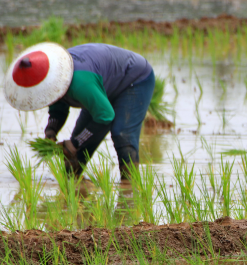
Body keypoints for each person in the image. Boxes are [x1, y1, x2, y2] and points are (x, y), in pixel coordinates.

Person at [5, 42, 155, 182]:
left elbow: (105, 116)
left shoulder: (79, 83)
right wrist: (51, 130)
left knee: (121, 133)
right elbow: (58, 108)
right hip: (101, 84)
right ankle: (72, 187)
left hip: (134, 79)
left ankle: (130, 188)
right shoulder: (55, 79)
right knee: (76, 149)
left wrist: (76, 142)